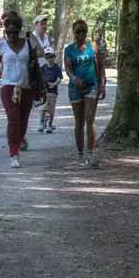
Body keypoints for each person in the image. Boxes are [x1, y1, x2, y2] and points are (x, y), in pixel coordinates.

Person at [0, 11, 43, 168]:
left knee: (23, 121)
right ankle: (14, 153)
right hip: (8, 86)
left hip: (26, 86)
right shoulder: (0, 45)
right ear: (5, 31)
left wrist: (41, 88)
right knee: (13, 119)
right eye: (9, 32)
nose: (12, 35)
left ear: (20, 30)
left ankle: (18, 142)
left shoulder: (28, 43)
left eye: (15, 32)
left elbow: (39, 58)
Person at [64, 19, 106, 167]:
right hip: (75, 88)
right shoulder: (69, 49)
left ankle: (91, 153)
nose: (81, 34)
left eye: (83, 31)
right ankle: (80, 154)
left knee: (90, 118)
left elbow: (101, 67)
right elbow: (68, 68)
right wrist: (74, 78)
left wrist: (102, 85)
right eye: (78, 31)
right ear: (74, 33)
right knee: (79, 122)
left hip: (91, 85)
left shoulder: (93, 46)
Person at [39, 48, 63, 133]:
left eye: (51, 57)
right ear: (45, 58)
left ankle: (50, 124)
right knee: (43, 108)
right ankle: (41, 123)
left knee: (51, 109)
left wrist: (54, 84)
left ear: (54, 57)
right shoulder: (43, 68)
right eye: (48, 57)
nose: (50, 59)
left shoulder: (57, 68)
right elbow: (39, 77)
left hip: (52, 91)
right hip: (43, 91)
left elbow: (59, 78)